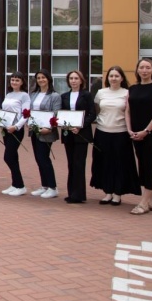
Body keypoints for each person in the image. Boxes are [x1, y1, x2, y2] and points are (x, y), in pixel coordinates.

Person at [90, 66, 140, 206]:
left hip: (121, 133)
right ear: (107, 78)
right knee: (104, 163)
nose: (113, 78)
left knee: (119, 164)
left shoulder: (127, 93)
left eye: (117, 76)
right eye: (111, 76)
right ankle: (108, 192)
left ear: (122, 78)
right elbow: (97, 110)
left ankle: (117, 193)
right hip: (102, 132)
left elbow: (129, 113)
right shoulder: (101, 93)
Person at [125, 58, 152, 215]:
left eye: (148, 67)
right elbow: (127, 111)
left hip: (151, 133)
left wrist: (146, 131)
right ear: (137, 70)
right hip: (135, 133)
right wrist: (130, 130)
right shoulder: (132, 89)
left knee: (150, 164)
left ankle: (144, 203)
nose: (144, 70)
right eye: (141, 67)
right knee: (143, 164)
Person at [59, 70, 96, 204]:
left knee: (79, 164)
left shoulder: (87, 95)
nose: (73, 81)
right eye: (71, 78)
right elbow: (62, 114)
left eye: (76, 78)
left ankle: (78, 195)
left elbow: (92, 114)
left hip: (82, 134)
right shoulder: (64, 96)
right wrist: (63, 124)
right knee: (71, 163)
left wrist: (81, 126)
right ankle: (71, 193)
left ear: (81, 80)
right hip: (68, 134)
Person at [29, 68, 62, 198]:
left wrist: (49, 128)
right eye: (38, 78)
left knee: (44, 158)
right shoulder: (34, 94)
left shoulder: (54, 96)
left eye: (43, 77)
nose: (41, 80)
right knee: (38, 158)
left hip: (46, 131)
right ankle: (44, 186)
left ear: (48, 79)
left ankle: (53, 187)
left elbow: (56, 113)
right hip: (35, 130)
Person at [0, 72, 31, 196]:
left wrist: (16, 126)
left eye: (17, 80)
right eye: (12, 80)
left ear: (22, 82)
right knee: (13, 157)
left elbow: (26, 114)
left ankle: (21, 185)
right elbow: (4, 111)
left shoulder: (24, 96)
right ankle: (15, 184)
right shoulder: (9, 94)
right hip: (6, 129)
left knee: (8, 157)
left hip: (16, 129)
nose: (14, 82)